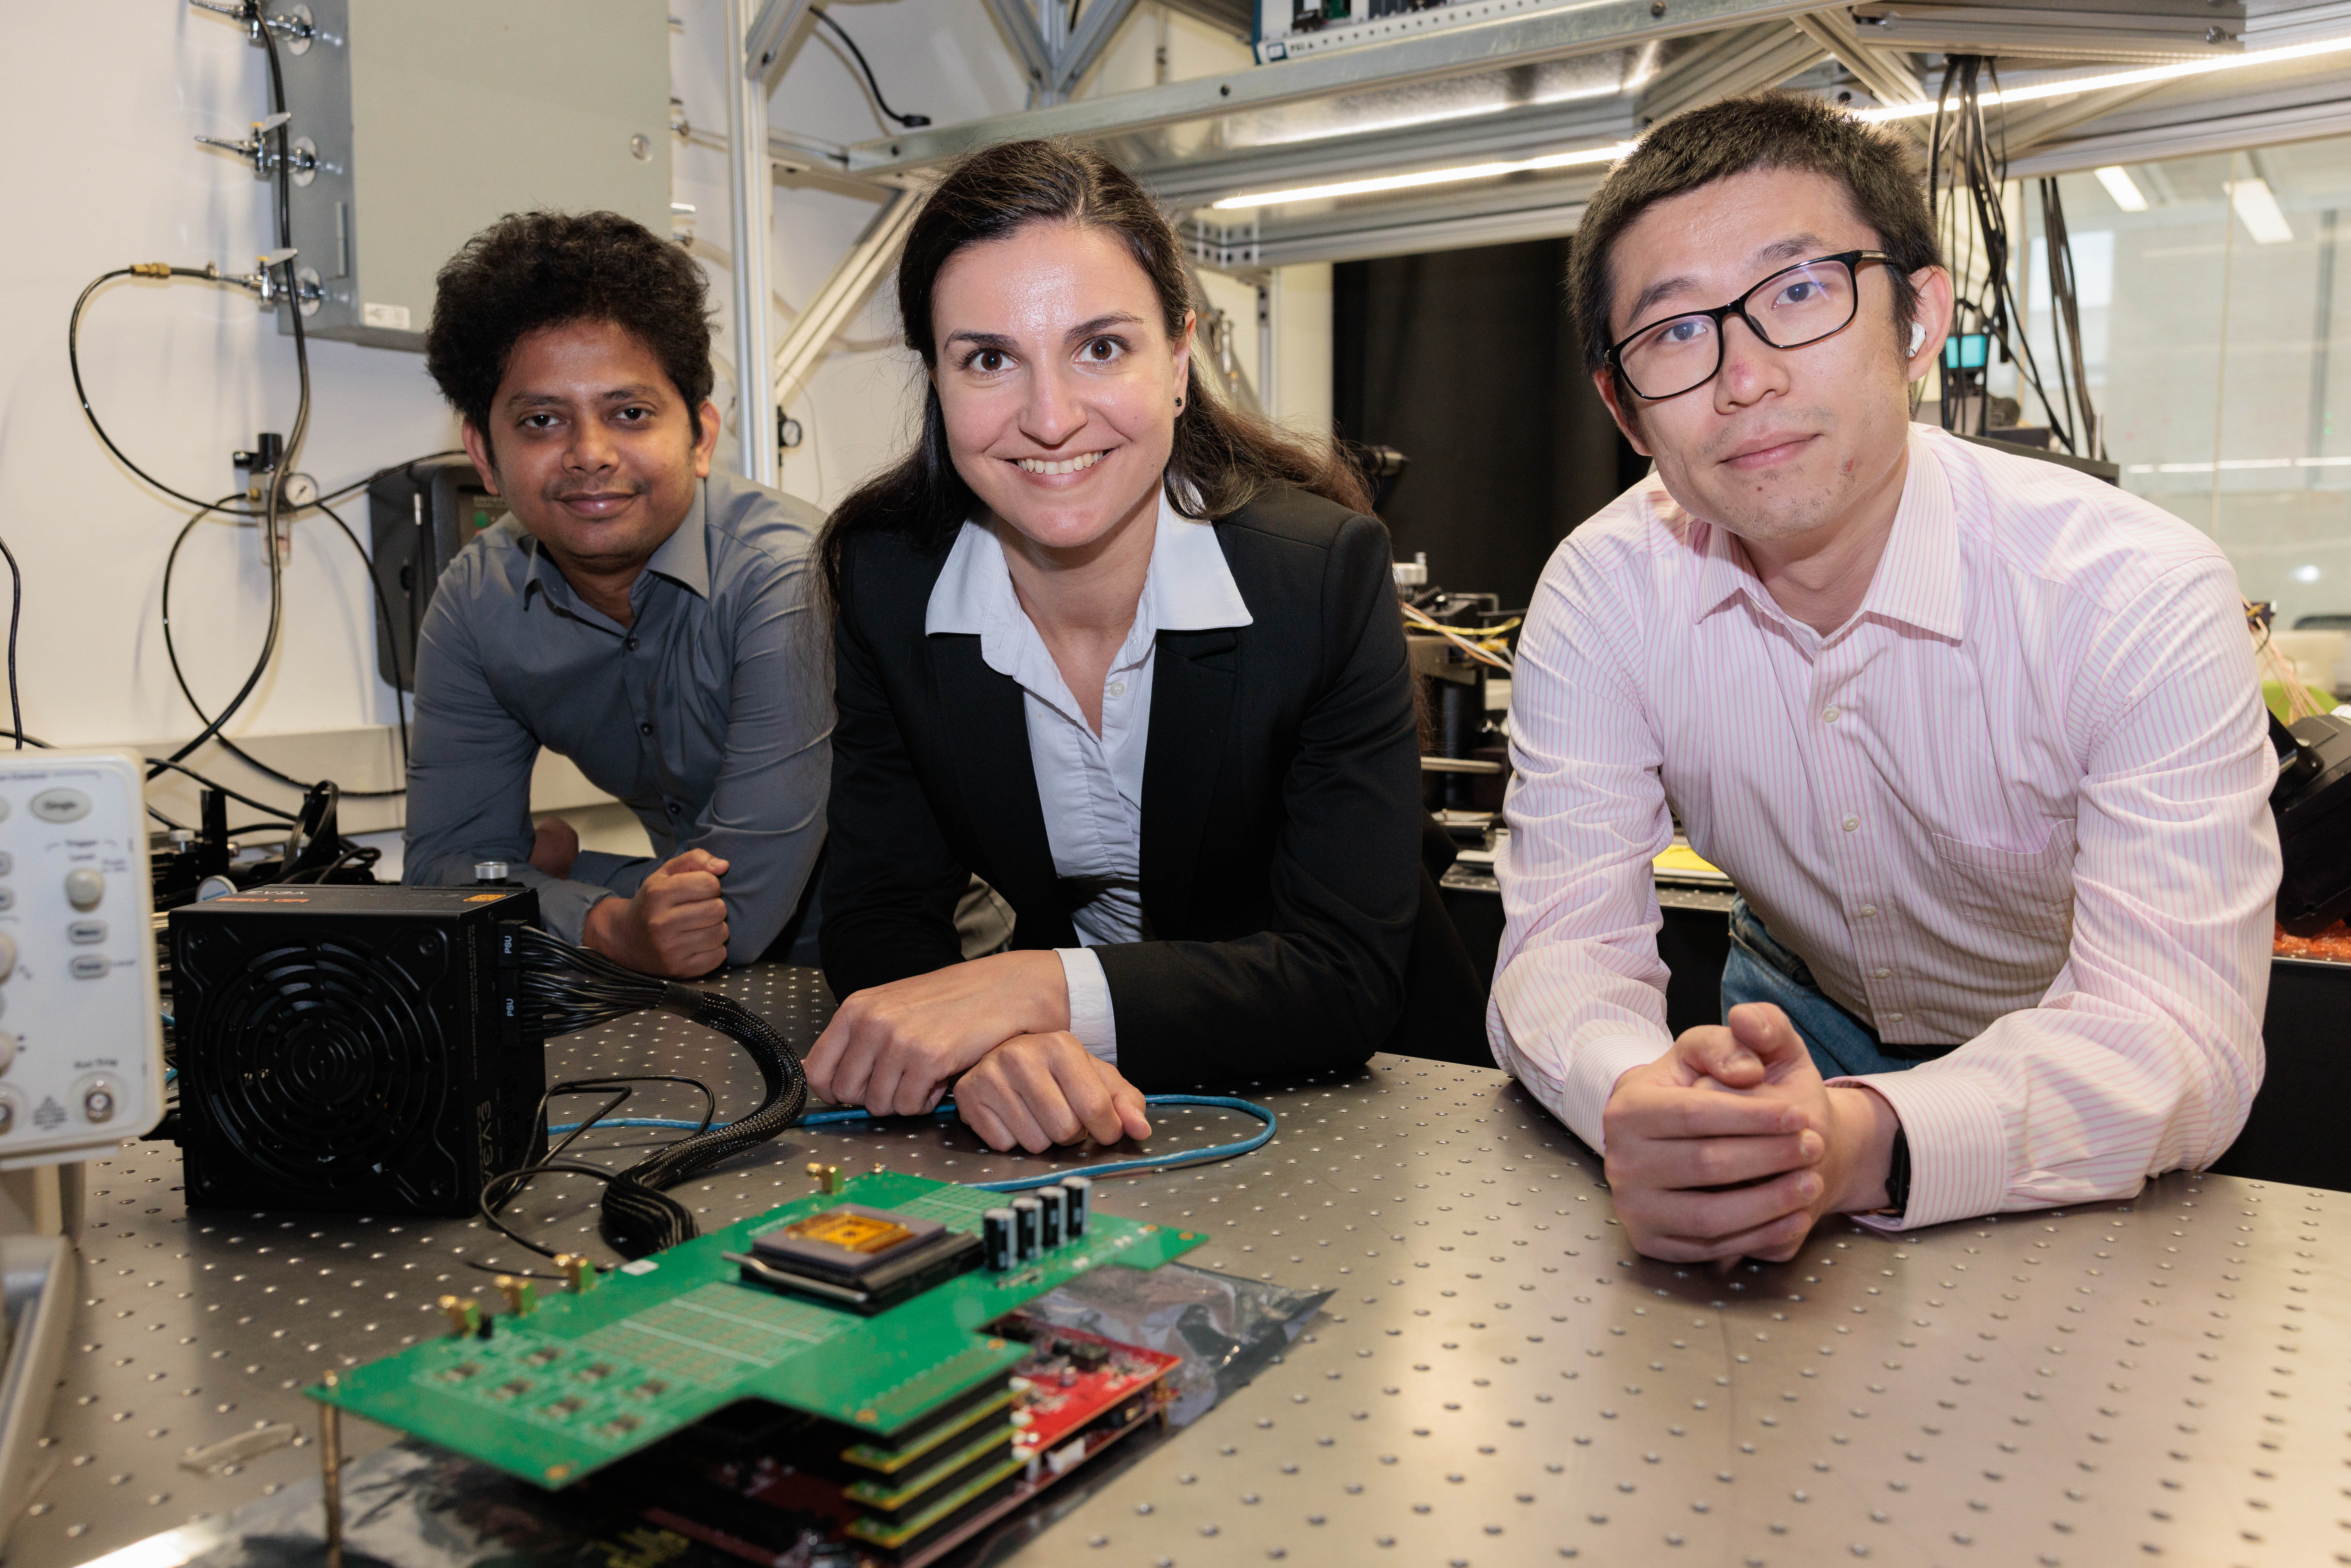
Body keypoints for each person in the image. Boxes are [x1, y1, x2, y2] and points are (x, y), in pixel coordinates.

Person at [1491, 94, 2280, 1263]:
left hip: (2064, 1059)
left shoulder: (2134, 594)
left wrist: (1846, 1142)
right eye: (1671, 333)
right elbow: (1560, 948)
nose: (1742, 377)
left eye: (1798, 292)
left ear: (1916, 319)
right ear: (1623, 408)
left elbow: (2173, 1033)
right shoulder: (1603, 593)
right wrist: (1646, 1103)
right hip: (1787, 1017)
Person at [806, 139, 1486, 1154]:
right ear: (938, 382)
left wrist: (1029, 990)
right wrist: (989, 1047)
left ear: (1178, 359)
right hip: (1071, 1093)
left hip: (1373, 1097)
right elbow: (879, 911)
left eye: (1102, 348)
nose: (1049, 418)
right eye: (990, 359)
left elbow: (1342, 975)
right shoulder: (888, 580)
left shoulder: (1318, 575)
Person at [404, 210, 831, 978]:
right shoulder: (476, 603)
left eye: (629, 414)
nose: (590, 455)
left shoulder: (788, 581)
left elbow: (734, 919)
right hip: (707, 987)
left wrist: (557, 888)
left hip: (913, 967)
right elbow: (441, 873)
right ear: (485, 456)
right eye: (542, 421)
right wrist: (607, 925)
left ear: (701, 438)